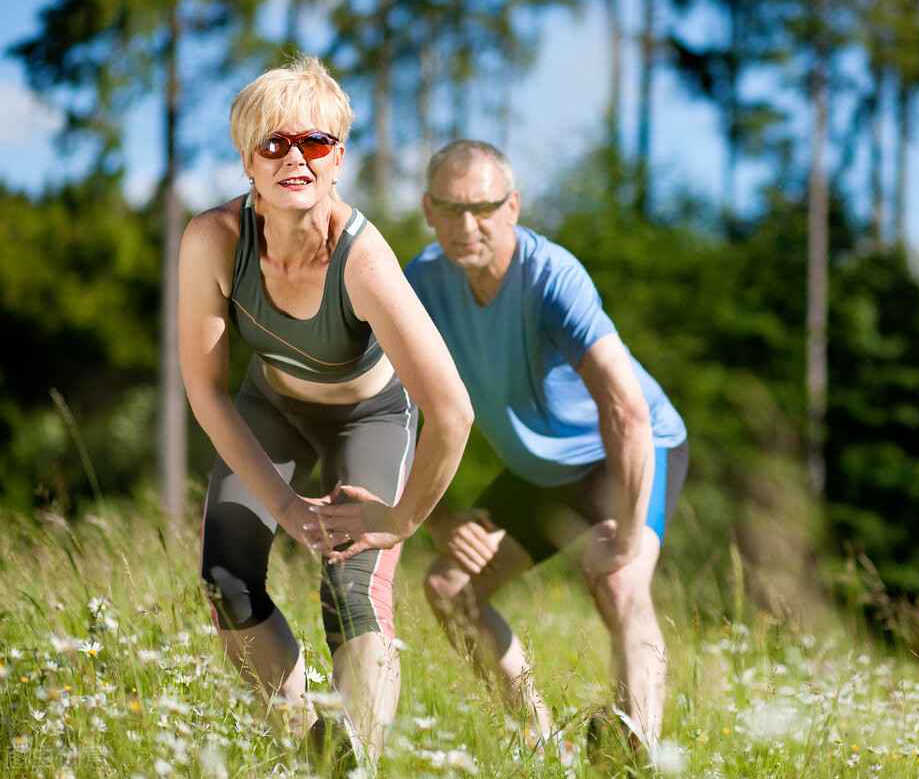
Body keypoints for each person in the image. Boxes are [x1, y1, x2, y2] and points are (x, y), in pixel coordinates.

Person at [177, 55, 473, 772]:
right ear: (247, 161)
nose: (295, 158)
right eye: (273, 143)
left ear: (338, 158)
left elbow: (452, 412)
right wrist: (283, 503)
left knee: (351, 589)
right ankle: (309, 747)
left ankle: (356, 759)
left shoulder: (363, 261)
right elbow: (207, 390)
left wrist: (400, 520)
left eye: (314, 141)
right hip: (273, 405)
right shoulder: (213, 241)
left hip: (369, 416)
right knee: (226, 579)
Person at [396, 139, 688, 760]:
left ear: (513, 207)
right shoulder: (420, 284)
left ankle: (635, 752)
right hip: (537, 468)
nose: (467, 225)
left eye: (483, 207)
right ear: (427, 210)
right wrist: (436, 518)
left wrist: (627, 538)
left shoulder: (552, 278)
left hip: (624, 452)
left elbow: (626, 410)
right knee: (450, 588)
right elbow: (390, 408)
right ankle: (544, 749)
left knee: (618, 582)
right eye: (450, 208)